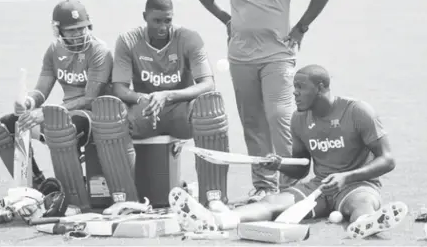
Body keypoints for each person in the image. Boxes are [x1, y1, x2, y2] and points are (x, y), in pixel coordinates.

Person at [169, 65, 409, 239]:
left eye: (300, 87)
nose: (294, 93)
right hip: (319, 187)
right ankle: (215, 221)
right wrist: (279, 164)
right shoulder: (299, 119)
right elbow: (302, 166)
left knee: (362, 202)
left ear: (321, 87)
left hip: (358, 184)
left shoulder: (357, 111)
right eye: (294, 87)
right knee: (272, 202)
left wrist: (347, 177)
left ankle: (365, 223)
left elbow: (387, 160)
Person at [196, 0, 335, 201]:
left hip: (277, 55)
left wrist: (301, 27)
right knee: (253, 122)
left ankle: (289, 185)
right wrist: (226, 19)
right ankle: (262, 185)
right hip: (240, 57)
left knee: (280, 116)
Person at [91, 0, 230, 209]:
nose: (163, 26)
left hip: (180, 111)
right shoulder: (128, 40)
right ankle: (126, 201)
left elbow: (207, 84)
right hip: (145, 110)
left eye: (168, 20)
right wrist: (143, 98)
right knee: (109, 116)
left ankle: (213, 197)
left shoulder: (188, 38)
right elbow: (119, 88)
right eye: (157, 21)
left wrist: (167, 95)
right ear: (145, 16)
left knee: (211, 108)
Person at [0, 0, 113, 210]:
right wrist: (28, 102)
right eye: (72, 30)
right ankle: (39, 186)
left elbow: (90, 97)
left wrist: (48, 113)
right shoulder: (54, 51)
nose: (79, 34)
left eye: (82, 28)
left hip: (92, 116)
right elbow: (41, 89)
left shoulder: (100, 51)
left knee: (63, 127)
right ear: (58, 30)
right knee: (9, 124)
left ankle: (75, 197)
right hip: (64, 114)